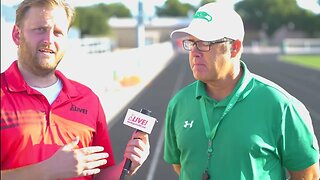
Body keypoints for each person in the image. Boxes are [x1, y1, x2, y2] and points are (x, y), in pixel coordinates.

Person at [163, 2, 319, 180]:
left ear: (235, 48)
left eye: (204, 43)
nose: (195, 52)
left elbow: (308, 175)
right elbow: (181, 166)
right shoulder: (178, 104)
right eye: (192, 43)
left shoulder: (281, 106)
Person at [0, 0, 150, 179]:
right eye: (40, 29)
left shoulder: (88, 99)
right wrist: (46, 171)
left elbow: (99, 175)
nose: (49, 40)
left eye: (58, 32)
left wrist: (128, 166)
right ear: (17, 34)